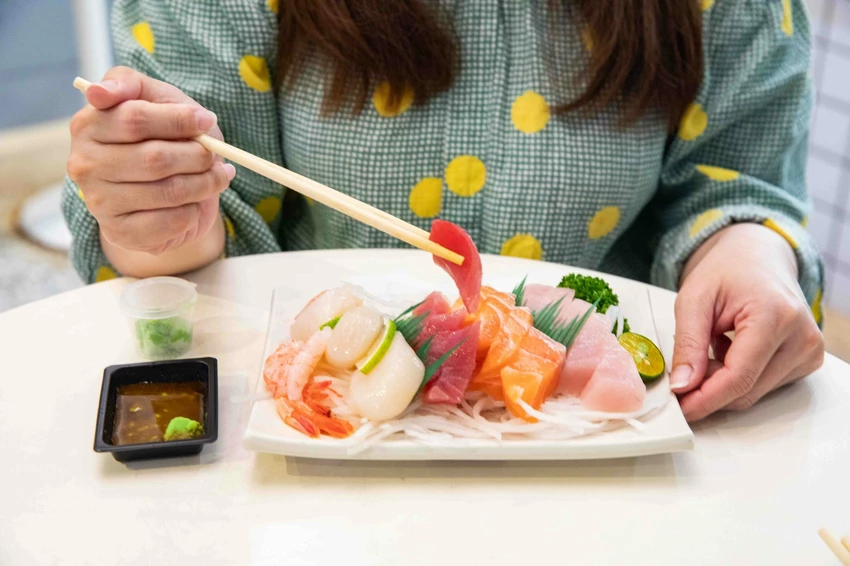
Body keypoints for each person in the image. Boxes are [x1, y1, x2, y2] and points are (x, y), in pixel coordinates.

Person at [63, 0, 825, 421]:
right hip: (303, 481)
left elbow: (738, 184)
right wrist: (160, 217)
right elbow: (189, 216)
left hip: (616, 455)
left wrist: (749, 252)